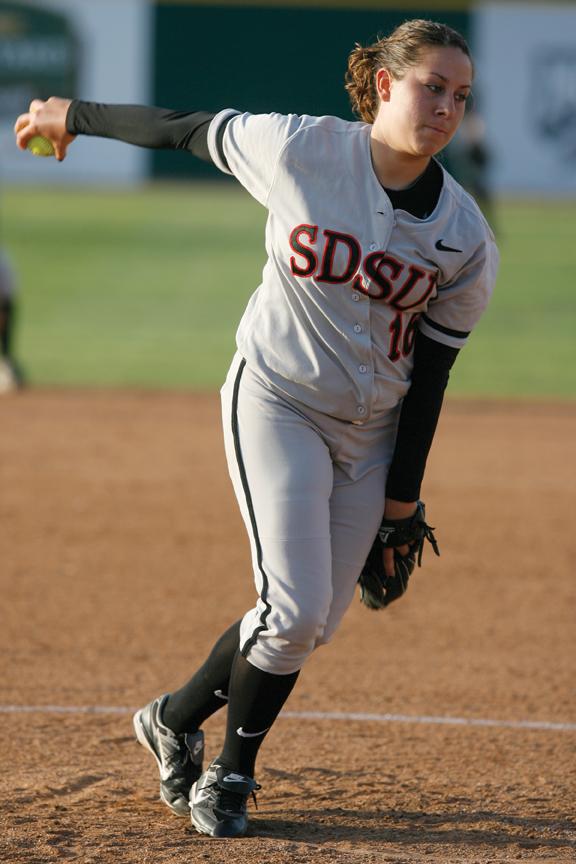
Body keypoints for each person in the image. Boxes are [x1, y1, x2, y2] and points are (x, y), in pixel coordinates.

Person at [14, 19, 498, 839]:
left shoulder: (465, 240)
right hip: (277, 400)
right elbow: (184, 128)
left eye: (461, 95)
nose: (447, 106)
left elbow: (432, 381)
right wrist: (73, 114)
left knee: (307, 621)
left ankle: (171, 718)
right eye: (432, 87)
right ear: (386, 85)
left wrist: (401, 505)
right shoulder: (297, 150)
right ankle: (230, 779)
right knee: (296, 608)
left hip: (372, 433)